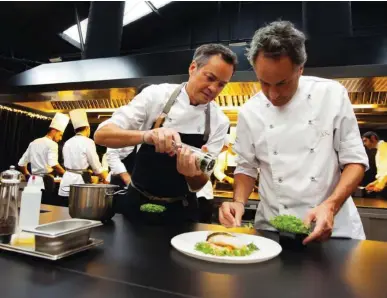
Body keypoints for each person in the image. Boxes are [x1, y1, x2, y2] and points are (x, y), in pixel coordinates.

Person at [218, 21, 368, 244]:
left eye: (282, 83)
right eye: (263, 83)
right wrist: (238, 202)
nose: (273, 94)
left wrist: (331, 205)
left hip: (333, 230)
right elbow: (246, 167)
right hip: (273, 231)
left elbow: (355, 162)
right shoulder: (250, 111)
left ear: (300, 69)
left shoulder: (331, 95)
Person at [94, 43, 237, 224]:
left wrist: (190, 173)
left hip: (181, 210)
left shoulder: (219, 121)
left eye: (221, 85)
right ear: (193, 68)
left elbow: (199, 184)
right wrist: (147, 136)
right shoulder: (156, 95)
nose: (213, 89)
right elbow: (101, 135)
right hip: (137, 202)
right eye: (209, 78)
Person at [58, 109, 108, 201]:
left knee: (64, 210)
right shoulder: (88, 142)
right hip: (79, 183)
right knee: (79, 211)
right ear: (87, 128)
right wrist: (107, 178)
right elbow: (96, 167)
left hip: (66, 180)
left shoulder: (68, 142)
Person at [107, 84, 151, 187]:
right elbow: (111, 154)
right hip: (122, 182)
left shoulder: (153, 121)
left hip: (141, 184)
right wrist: (127, 180)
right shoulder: (126, 117)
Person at [18, 112, 69, 198]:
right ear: (54, 131)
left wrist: (28, 175)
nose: (60, 138)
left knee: (33, 205)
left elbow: (21, 164)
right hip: (46, 181)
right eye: (60, 135)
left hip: (33, 181)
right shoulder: (52, 144)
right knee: (46, 206)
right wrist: (66, 174)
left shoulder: (34, 142)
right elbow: (53, 164)